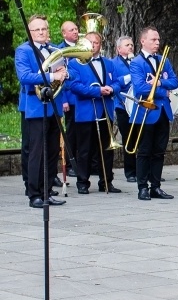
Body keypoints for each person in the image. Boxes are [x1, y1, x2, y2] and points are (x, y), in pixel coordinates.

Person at [16, 15, 68, 208]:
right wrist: (53, 75)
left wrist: (64, 75)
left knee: (52, 151)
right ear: (29, 33)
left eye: (43, 29)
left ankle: (46, 192)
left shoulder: (54, 50)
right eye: (36, 30)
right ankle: (34, 193)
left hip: (54, 104)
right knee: (36, 151)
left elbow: (63, 71)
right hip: (36, 106)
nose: (41, 32)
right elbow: (25, 76)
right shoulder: (23, 50)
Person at [67, 31, 121, 193]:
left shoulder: (109, 63)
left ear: (100, 45)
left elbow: (119, 82)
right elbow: (74, 86)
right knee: (85, 149)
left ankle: (106, 181)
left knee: (107, 149)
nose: (92, 45)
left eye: (95, 42)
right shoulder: (75, 63)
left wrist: (112, 89)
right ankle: (83, 182)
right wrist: (97, 92)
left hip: (105, 111)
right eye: (89, 42)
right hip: (86, 112)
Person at [129, 26, 178, 201]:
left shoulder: (163, 60)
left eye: (158, 40)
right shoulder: (136, 62)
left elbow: (174, 82)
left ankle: (156, 187)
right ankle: (142, 187)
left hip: (163, 112)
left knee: (159, 151)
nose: (157, 42)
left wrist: (158, 83)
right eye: (153, 40)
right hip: (145, 112)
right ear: (143, 41)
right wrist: (162, 92)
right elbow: (139, 88)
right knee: (144, 151)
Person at [112, 36, 137, 182]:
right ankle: (130, 172)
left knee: (142, 138)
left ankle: (144, 170)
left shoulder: (138, 62)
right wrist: (130, 77)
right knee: (128, 138)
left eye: (132, 44)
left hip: (138, 105)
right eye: (127, 45)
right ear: (119, 49)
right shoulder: (113, 63)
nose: (130, 47)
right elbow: (114, 82)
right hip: (122, 105)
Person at [58, 21, 80, 177]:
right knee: (71, 131)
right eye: (71, 30)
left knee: (83, 131)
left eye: (76, 29)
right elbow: (60, 78)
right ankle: (71, 163)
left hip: (82, 95)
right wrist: (64, 99)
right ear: (64, 33)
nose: (75, 32)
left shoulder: (82, 47)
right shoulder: (59, 50)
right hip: (69, 97)